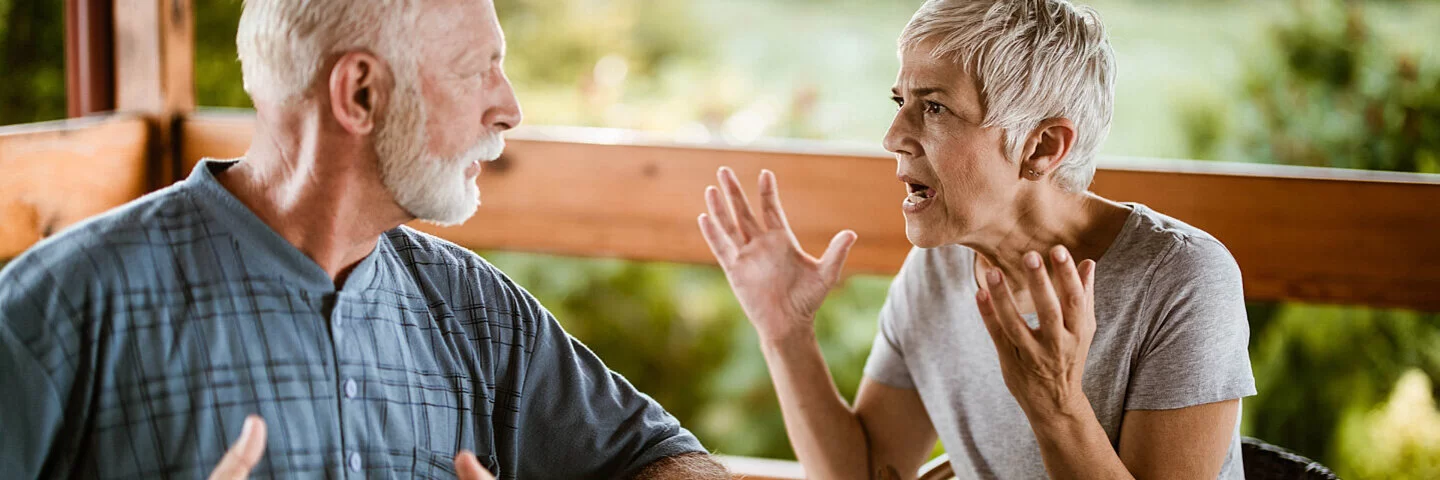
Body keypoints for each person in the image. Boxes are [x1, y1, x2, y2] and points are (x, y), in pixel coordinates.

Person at [0, 1, 727, 478]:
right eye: (479, 71)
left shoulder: (479, 312)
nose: (509, 108)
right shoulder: (58, 309)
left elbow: (667, 462)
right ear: (360, 94)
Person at [696, 0, 1256, 478]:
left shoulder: (1182, 280)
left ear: (1041, 148)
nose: (892, 137)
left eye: (934, 108)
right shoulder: (938, 268)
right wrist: (787, 335)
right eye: (901, 103)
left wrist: (1057, 405)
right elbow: (872, 471)